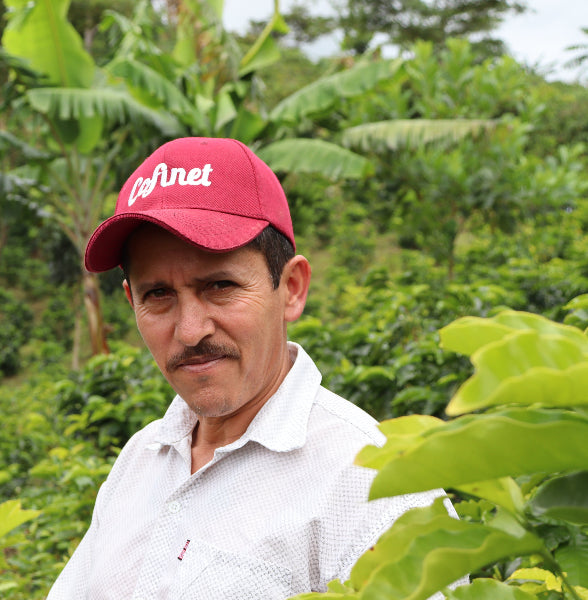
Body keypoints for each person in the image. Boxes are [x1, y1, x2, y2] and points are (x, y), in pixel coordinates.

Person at [47, 137, 447, 600]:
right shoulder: (140, 461)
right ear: (130, 301)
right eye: (157, 295)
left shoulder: (373, 480)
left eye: (220, 285)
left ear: (292, 289)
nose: (190, 331)